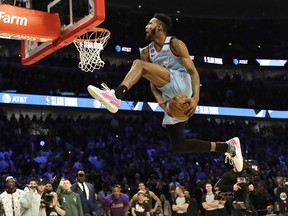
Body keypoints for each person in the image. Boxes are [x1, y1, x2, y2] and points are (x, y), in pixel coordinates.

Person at [87, 13, 243, 172]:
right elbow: (153, 83)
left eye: (149, 23)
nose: (146, 27)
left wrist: (195, 98)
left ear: (159, 28)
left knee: (138, 64)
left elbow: (193, 72)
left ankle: (116, 96)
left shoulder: (175, 44)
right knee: (179, 145)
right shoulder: (146, 52)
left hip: (182, 83)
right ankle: (228, 147)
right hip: (168, 93)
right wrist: (161, 102)